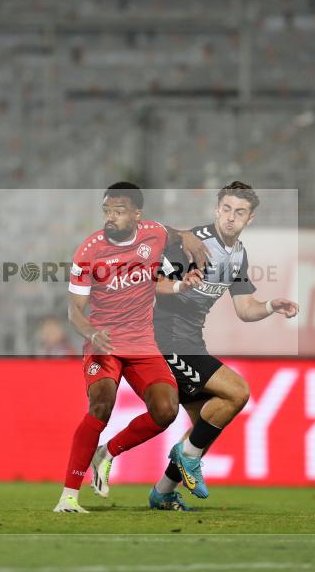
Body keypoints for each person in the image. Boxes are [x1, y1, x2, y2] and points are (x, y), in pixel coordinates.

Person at [89, 181, 299, 511]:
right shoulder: (192, 245)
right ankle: (172, 463)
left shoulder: (238, 255)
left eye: (239, 212)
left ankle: (161, 490)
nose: (231, 217)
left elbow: (245, 309)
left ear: (250, 218)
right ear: (217, 209)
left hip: (192, 343)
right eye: (227, 209)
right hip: (164, 339)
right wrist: (179, 283)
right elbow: (147, 281)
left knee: (204, 426)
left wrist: (272, 305)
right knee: (237, 392)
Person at [53, 182, 206, 513]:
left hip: (141, 344)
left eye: (119, 211)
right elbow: (73, 312)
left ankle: (107, 452)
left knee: (166, 411)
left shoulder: (153, 234)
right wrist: (92, 333)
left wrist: (188, 239)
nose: (110, 217)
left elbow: (173, 238)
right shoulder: (88, 252)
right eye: (107, 210)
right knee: (101, 407)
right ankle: (68, 496)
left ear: (137, 215)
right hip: (103, 343)